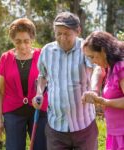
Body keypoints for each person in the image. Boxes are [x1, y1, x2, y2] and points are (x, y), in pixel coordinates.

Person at [32, 12, 99, 150]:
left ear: (78, 31)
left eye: (67, 34)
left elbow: (96, 70)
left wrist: (93, 90)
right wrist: (39, 93)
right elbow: (42, 75)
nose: (62, 38)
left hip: (84, 125)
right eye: (58, 33)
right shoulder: (47, 51)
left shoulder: (86, 48)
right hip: (56, 127)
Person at [0, 18, 48, 150]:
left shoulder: (42, 55)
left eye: (26, 41)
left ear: (32, 39)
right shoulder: (5, 58)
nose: (23, 46)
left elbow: (48, 80)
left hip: (39, 111)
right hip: (13, 113)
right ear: (12, 40)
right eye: (18, 41)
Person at [82, 31, 124, 150]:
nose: (92, 61)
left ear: (103, 51)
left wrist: (104, 102)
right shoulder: (110, 67)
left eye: (93, 56)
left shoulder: (120, 67)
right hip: (114, 133)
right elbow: (98, 71)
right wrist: (94, 92)